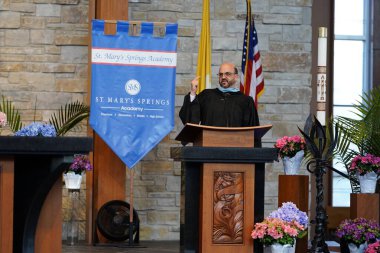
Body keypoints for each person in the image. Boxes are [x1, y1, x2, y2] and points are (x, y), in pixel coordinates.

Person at [179, 62, 260, 127]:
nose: (223, 77)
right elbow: (190, 120)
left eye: (227, 74)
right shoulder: (207, 95)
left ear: (236, 76)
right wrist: (193, 92)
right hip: (209, 145)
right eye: (220, 74)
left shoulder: (246, 101)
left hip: (236, 146)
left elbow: (253, 132)